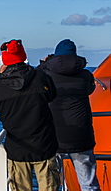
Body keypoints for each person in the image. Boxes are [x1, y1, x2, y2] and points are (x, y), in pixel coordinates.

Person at [0, 39, 60, 191]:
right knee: (49, 186)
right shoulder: (41, 77)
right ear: (23, 55)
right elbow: (52, 95)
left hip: (17, 147)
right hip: (44, 143)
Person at [37, 39, 100, 191]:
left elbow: (34, 80)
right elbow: (90, 90)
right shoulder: (85, 75)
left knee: (51, 183)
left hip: (53, 136)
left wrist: (44, 63)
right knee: (88, 184)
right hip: (80, 136)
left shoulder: (45, 74)